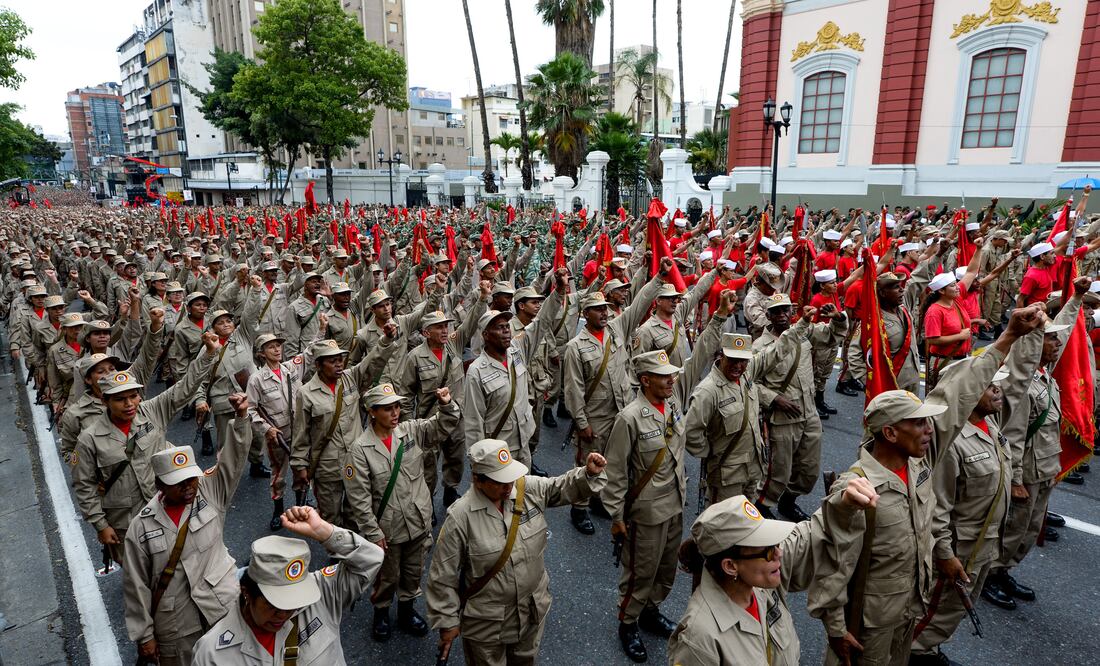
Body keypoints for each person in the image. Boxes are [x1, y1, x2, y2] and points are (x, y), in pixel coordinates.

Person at [807, 306, 1042, 666]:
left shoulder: (919, 461)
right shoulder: (857, 489)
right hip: (869, 623)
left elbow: (954, 397)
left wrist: (1008, 337)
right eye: (918, 424)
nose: (930, 429)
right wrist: (836, 627)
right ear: (890, 433)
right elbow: (831, 564)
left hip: (909, 607)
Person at [604, 291, 733, 663]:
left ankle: (650, 609)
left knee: (665, 569)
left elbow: (698, 358)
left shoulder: (674, 401)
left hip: (675, 502)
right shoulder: (629, 418)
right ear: (645, 380)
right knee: (640, 570)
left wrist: (718, 319)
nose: (671, 381)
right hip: (645, 511)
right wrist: (616, 517)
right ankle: (628, 620)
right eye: (663, 378)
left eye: (671, 376)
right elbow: (615, 472)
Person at [427, 438, 608, 665]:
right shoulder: (460, 517)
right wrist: (447, 622)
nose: (508, 486)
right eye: (499, 481)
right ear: (477, 480)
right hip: (487, 625)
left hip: (531, 612)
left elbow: (559, 487)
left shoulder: (524, 488)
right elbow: (442, 576)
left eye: (510, 477)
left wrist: (587, 474)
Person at [668, 483, 878, 666]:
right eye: (768, 550)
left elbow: (813, 533)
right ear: (730, 566)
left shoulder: (758, 574)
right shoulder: (699, 638)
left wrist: (844, 502)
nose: (779, 553)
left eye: (776, 544)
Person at [123, 393, 252, 665]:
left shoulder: (210, 491)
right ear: (159, 485)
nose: (188, 486)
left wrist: (241, 419)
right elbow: (136, 585)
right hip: (177, 624)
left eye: (191, 478)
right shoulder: (141, 527)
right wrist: (144, 636)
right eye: (178, 482)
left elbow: (233, 461)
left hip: (221, 607)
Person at [71, 330, 219, 565]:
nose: (129, 404)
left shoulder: (153, 410)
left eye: (134, 396)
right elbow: (84, 486)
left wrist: (208, 354)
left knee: (177, 564)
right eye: (120, 399)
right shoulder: (89, 439)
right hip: (125, 520)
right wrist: (101, 525)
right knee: (138, 571)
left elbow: (185, 386)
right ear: (105, 401)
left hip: (165, 504)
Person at [983, 279, 1085, 609]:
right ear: (1035, 344)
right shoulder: (1020, 384)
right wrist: (1014, 480)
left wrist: (1077, 298)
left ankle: (1005, 570)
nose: (1057, 343)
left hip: (1045, 466)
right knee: (1012, 528)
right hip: (1025, 469)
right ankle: (990, 575)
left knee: (1029, 529)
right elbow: (1012, 434)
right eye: (1050, 338)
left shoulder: (1044, 372)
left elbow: (1063, 336)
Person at [190, 506, 385, 664]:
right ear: (247, 592)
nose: (284, 614)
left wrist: (324, 532)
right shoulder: (212, 654)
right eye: (274, 604)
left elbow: (372, 559)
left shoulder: (322, 593)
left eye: (294, 602)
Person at [341, 382, 459, 642]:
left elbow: (442, 426)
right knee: (387, 575)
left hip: (417, 519)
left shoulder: (410, 431)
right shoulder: (360, 450)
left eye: (396, 406)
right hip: (388, 527)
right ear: (372, 412)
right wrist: (372, 532)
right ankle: (381, 612)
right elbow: (359, 499)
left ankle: (406, 610)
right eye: (387, 409)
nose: (395, 413)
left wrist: (446, 405)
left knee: (413, 570)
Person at [562, 260, 669, 534]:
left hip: (621, 409)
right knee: (587, 461)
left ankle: (599, 498)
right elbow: (573, 388)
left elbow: (639, 304)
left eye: (606, 308)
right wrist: (581, 422)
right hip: (595, 414)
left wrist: (658, 277)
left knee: (613, 459)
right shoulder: (576, 347)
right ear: (585, 313)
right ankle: (579, 507)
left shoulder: (616, 329)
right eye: (598, 309)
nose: (604, 313)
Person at [290, 331, 400, 528]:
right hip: (327, 465)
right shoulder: (305, 394)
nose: (339, 364)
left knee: (356, 514)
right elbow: (301, 432)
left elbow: (373, 361)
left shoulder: (351, 378)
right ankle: (336, 547)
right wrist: (300, 465)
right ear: (318, 365)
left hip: (357, 461)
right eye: (332, 361)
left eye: (340, 359)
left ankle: (354, 547)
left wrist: (386, 340)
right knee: (330, 518)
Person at [463, 268, 567, 469]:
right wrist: (479, 464)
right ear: (486, 335)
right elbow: (473, 422)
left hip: (524, 439)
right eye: (499, 327)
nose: (505, 331)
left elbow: (542, 322)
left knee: (523, 486)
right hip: (499, 449)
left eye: (506, 326)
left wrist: (559, 290)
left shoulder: (518, 348)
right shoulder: (477, 371)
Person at [755, 295, 847, 522]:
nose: (782, 315)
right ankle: (762, 506)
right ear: (768, 316)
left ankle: (788, 502)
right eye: (776, 312)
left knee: (808, 469)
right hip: (782, 417)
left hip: (809, 412)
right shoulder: (760, 346)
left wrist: (837, 318)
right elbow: (750, 382)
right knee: (778, 470)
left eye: (785, 310)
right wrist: (774, 399)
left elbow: (831, 336)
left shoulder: (805, 332)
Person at [684, 333, 767, 505]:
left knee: (746, 517)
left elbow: (774, 353)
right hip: (726, 476)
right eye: (732, 360)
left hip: (753, 467)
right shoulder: (708, 391)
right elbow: (690, 432)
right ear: (721, 356)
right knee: (723, 520)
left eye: (743, 361)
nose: (738, 366)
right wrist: (710, 452)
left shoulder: (745, 376)